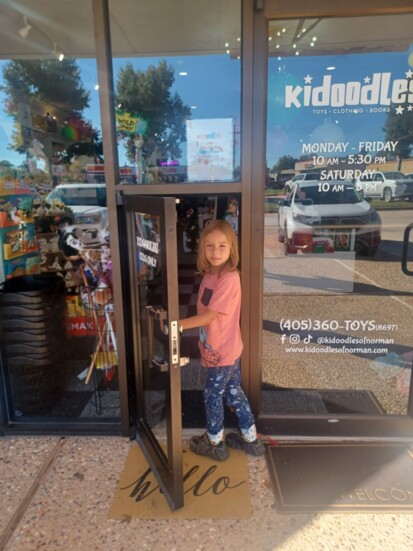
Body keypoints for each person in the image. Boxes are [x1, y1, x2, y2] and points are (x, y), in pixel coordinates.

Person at [179, 220, 265, 461]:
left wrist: (178, 325)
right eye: (209, 246)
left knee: (212, 395)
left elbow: (211, 315)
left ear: (231, 250)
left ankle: (215, 442)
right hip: (221, 348)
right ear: (202, 249)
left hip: (223, 352)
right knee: (233, 392)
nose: (215, 252)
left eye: (222, 246)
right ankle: (251, 439)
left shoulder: (229, 278)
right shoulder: (210, 274)